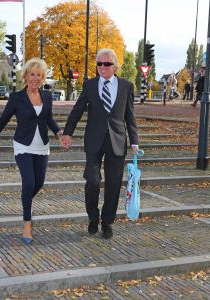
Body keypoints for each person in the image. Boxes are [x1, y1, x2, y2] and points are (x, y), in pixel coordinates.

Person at [61, 48, 139, 239]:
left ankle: (107, 222)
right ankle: (93, 218)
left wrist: (135, 142)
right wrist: (68, 133)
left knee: (113, 185)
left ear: (115, 66)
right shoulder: (89, 85)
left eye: (107, 64)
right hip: (94, 140)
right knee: (93, 180)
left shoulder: (126, 86)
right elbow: (77, 110)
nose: (102, 67)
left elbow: (130, 116)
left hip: (117, 141)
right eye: (99, 64)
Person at [0, 58, 62, 244]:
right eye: (32, 74)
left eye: (39, 74)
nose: (35, 78)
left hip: (42, 145)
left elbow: (49, 119)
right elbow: (3, 119)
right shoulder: (16, 98)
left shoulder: (46, 96)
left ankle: (25, 201)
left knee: (39, 183)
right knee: (29, 183)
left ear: (43, 78)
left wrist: (59, 132)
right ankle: (27, 224)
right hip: (23, 145)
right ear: (26, 76)